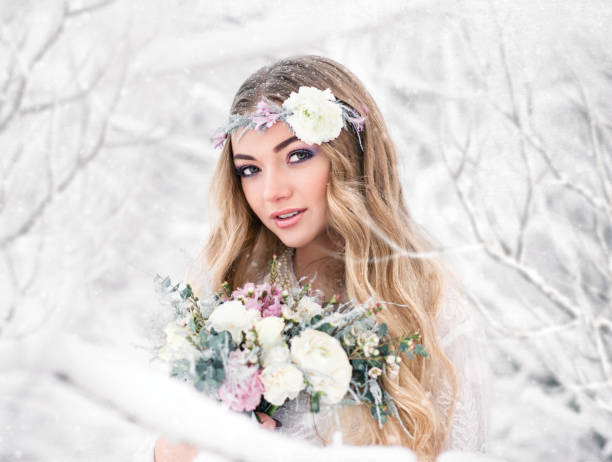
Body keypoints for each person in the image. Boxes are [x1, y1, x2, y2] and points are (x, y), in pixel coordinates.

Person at [144, 55, 490, 462]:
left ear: (349, 156)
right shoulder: (224, 291)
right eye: (250, 169)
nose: (272, 191)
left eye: (297, 156)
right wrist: (175, 451)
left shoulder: (424, 301)